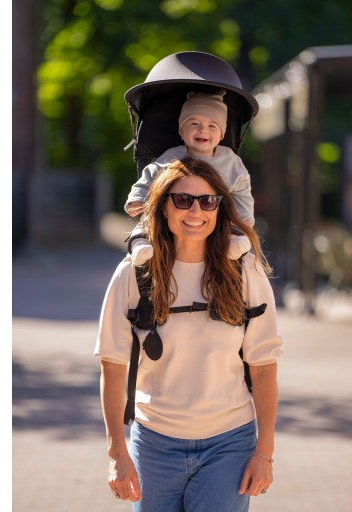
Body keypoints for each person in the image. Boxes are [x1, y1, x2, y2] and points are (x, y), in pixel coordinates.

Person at [94, 157, 283, 512]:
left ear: (219, 209)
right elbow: (113, 367)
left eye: (207, 201)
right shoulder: (134, 273)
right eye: (183, 200)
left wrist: (265, 453)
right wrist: (117, 453)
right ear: (163, 207)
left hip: (229, 444)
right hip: (154, 445)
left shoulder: (245, 271)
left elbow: (263, 366)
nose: (196, 210)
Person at [125, 90, 255, 265]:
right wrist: (138, 198)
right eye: (194, 123)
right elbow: (149, 177)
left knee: (231, 223)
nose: (203, 130)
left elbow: (242, 190)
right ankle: (141, 244)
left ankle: (233, 243)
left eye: (212, 126)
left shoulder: (230, 161)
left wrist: (245, 217)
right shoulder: (173, 156)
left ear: (221, 134)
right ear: (181, 131)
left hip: (216, 214)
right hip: (173, 214)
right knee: (149, 219)